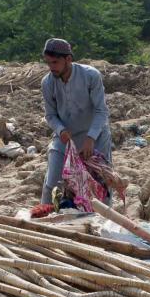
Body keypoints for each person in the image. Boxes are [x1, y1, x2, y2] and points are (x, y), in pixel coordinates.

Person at [39, 37, 112, 206]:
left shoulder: (91, 76)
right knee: (52, 184)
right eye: (48, 63)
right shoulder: (47, 83)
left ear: (68, 59)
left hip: (95, 136)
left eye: (55, 62)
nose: (51, 67)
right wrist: (61, 130)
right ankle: (45, 220)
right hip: (65, 137)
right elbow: (50, 115)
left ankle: (106, 222)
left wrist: (91, 138)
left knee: (102, 182)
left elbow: (101, 111)